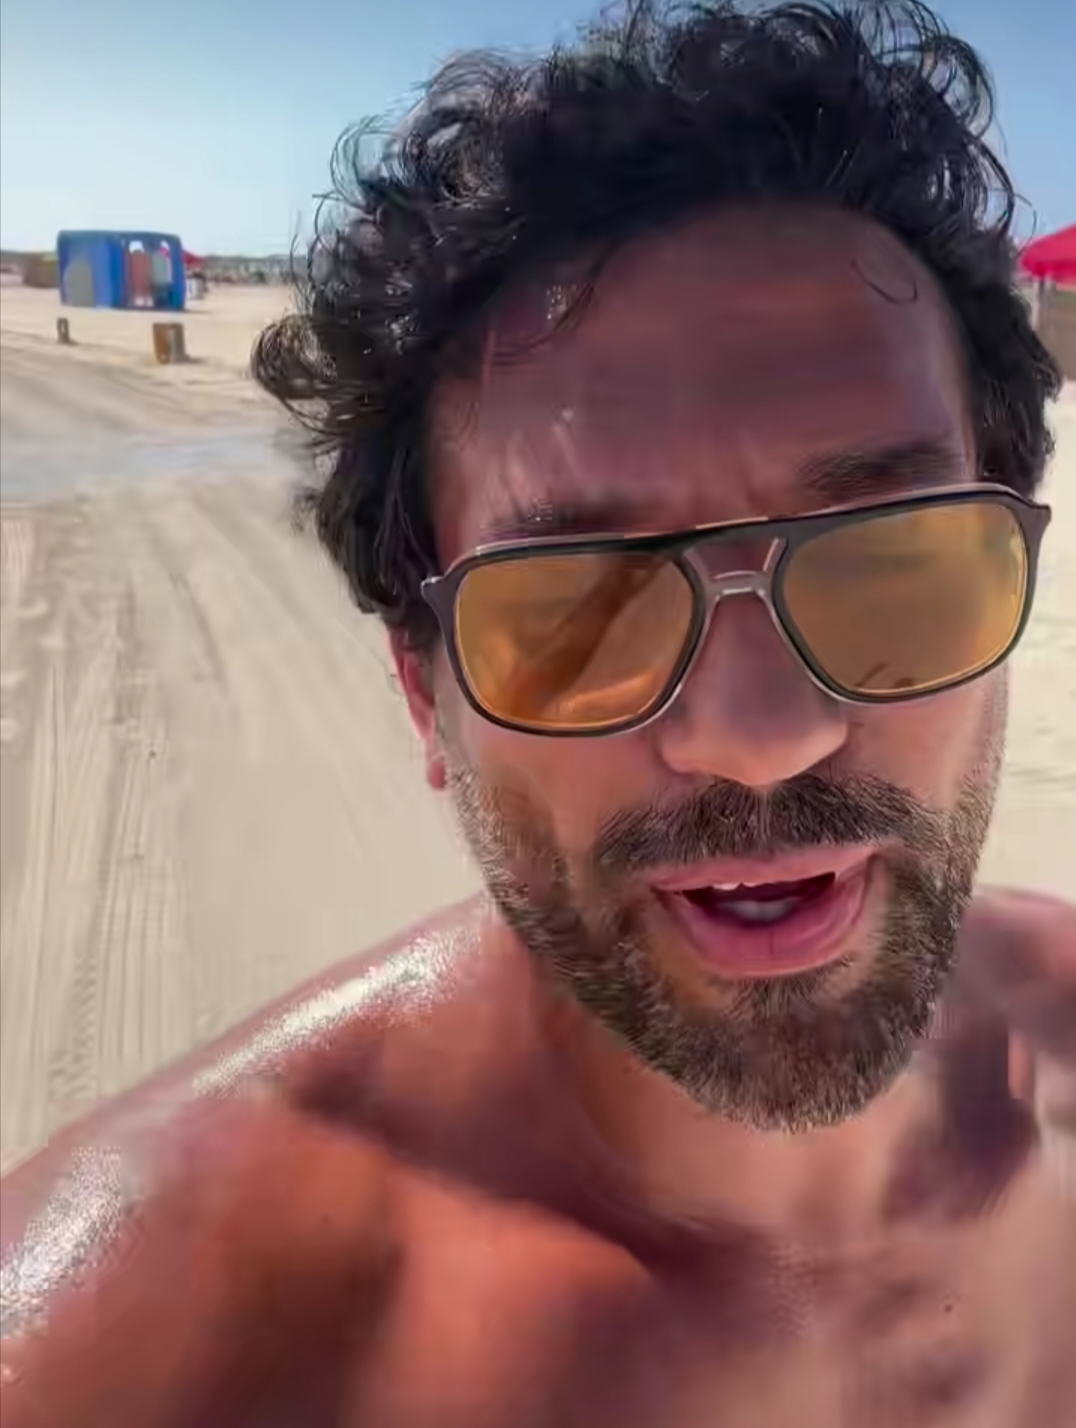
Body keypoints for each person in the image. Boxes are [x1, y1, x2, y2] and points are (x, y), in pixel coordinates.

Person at [2, 2, 1073, 1423]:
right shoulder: (133, 1353)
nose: (762, 734)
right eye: (578, 613)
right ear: (421, 689)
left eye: (892, 565)